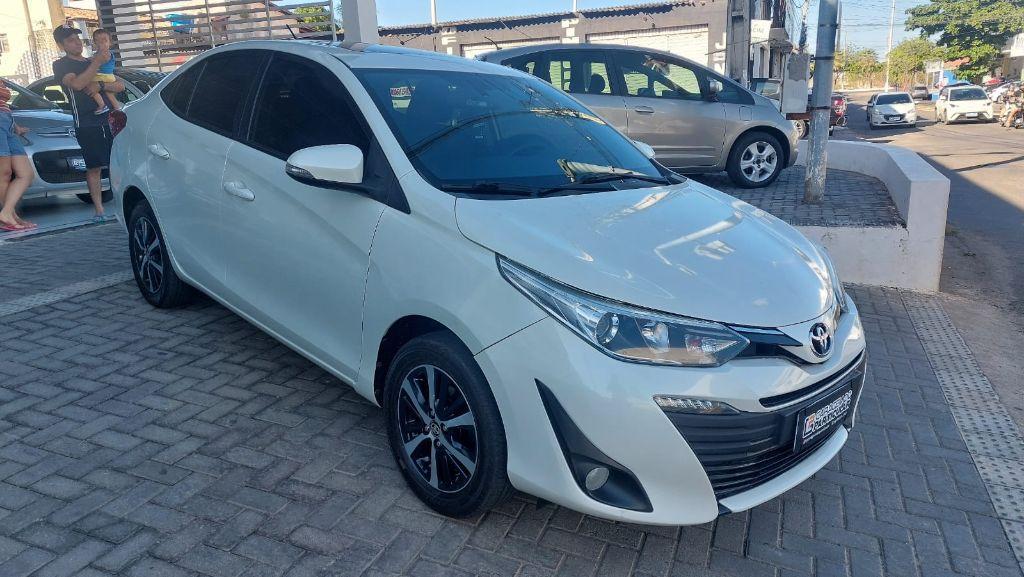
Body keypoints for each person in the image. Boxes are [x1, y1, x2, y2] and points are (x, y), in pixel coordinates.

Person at [52, 23, 123, 222]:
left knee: (118, 163)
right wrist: (96, 63)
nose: (77, 43)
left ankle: (121, 204)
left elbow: (119, 85)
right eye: (71, 40)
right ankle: (99, 210)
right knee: (94, 166)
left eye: (78, 38)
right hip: (87, 122)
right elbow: (77, 84)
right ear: (61, 45)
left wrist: (100, 84)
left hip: (112, 119)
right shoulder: (62, 65)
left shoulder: (95, 59)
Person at [0, 80, 38, 231]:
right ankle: (10, 216)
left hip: (7, 122)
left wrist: (15, 126)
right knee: (4, 174)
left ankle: (7, 212)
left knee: (26, 174)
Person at [87, 29, 121, 114]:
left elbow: (100, 61)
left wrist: (91, 60)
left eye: (104, 41)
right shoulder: (99, 54)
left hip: (103, 76)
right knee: (109, 93)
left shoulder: (105, 53)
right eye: (98, 41)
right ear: (95, 43)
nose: (101, 43)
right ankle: (117, 108)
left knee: (90, 86)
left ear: (110, 43)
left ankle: (102, 105)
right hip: (108, 77)